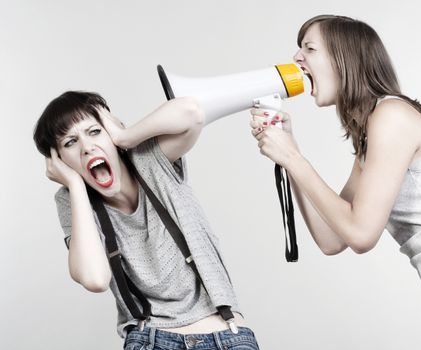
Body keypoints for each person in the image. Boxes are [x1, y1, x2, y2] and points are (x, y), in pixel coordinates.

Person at [250, 14, 421, 349]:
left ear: (344, 57)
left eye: (309, 48)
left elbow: (362, 234)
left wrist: (294, 157)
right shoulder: (371, 134)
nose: (296, 58)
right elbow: (332, 239)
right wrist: (289, 154)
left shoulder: (391, 116)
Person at [34, 91, 259, 350]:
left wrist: (124, 136)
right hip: (150, 341)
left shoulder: (151, 159)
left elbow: (192, 112)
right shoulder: (73, 201)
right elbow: (95, 279)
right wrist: (74, 184)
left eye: (94, 132)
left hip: (225, 335)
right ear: (58, 161)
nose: (87, 147)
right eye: (70, 142)